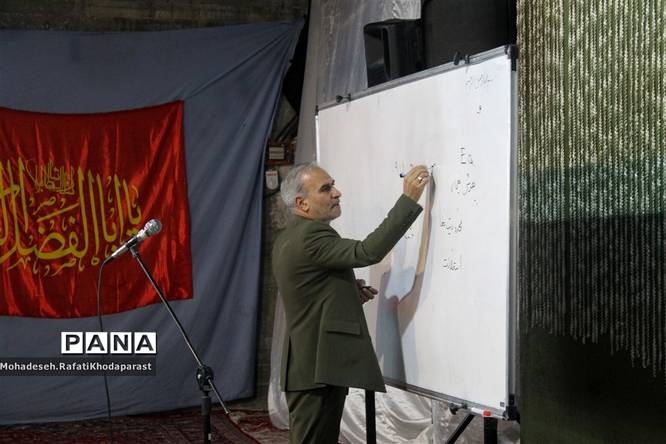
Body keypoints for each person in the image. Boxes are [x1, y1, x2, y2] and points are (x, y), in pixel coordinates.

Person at [272, 162, 430, 444]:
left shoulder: (290, 236)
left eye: (333, 185)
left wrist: (345, 291)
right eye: (326, 189)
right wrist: (408, 199)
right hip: (316, 368)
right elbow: (367, 251)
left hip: (311, 366)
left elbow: (307, 290)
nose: (337, 193)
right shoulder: (311, 235)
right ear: (302, 203)